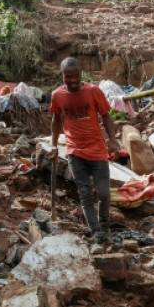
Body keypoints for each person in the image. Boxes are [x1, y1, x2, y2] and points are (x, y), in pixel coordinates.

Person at [49, 57, 119, 244]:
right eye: (67, 76)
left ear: (81, 74)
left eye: (75, 76)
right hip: (75, 151)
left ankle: (104, 225)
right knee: (85, 193)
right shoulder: (57, 95)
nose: (72, 80)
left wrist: (113, 140)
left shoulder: (93, 91)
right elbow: (56, 120)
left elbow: (106, 116)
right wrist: (54, 145)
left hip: (97, 150)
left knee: (104, 193)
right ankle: (96, 233)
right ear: (62, 75)